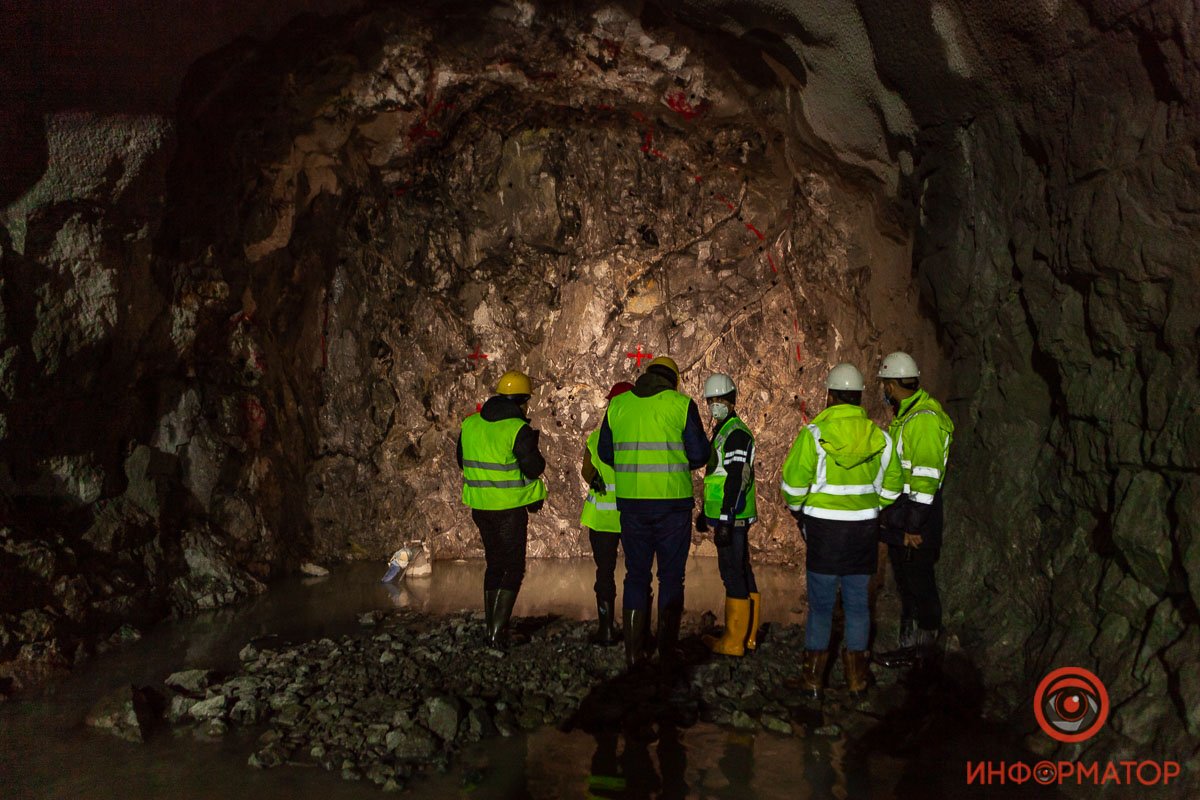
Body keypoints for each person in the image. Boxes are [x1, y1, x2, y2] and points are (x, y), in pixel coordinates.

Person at [780, 363, 902, 699]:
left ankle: (814, 680)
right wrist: (871, 505)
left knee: (821, 606)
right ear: (859, 398)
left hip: (823, 532)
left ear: (830, 395)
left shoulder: (815, 434)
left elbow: (792, 485)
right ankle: (856, 681)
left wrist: (800, 510)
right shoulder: (881, 437)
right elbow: (893, 487)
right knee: (859, 606)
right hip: (864, 532)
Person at [598, 356, 709, 668]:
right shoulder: (680, 405)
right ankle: (667, 650)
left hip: (632, 506)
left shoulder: (618, 406)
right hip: (672, 505)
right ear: (672, 380)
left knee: (636, 576)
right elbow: (700, 454)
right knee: (671, 577)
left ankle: (634, 653)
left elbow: (606, 453)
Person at [873, 352, 955, 669]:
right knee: (909, 584)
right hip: (908, 514)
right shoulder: (908, 417)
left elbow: (925, 478)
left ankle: (923, 655)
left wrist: (912, 526)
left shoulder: (923, 420)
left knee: (920, 584)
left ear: (892, 385)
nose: (884, 389)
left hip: (918, 516)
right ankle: (911, 651)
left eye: (884, 384)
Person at [457, 369, 547, 646]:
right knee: (513, 567)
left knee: (495, 564)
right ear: (522, 400)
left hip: (480, 507)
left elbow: (462, 460)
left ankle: (491, 627)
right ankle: (498, 632)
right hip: (508, 509)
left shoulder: (471, 424)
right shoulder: (516, 429)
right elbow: (534, 467)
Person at [696, 372, 760, 657]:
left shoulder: (736, 434)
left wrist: (725, 517)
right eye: (712, 400)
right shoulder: (724, 431)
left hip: (732, 517)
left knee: (731, 572)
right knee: (741, 569)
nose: (715, 405)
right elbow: (715, 475)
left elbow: (737, 478)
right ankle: (748, 636)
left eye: (720, 400)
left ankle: (734, 640)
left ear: (732, 402)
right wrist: (704, 512)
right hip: (726, 515)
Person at [580, 380, 636, 645]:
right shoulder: (640, 434)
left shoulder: (595, 436)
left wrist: (595, 479)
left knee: (604, 573)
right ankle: (637, 631)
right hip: (633, 514)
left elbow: (587, 472)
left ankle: (606, 628)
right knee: (637, 572)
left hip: (602, 517)